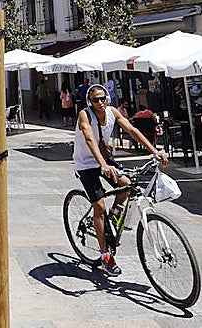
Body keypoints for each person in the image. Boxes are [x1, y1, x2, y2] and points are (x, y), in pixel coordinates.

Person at [74, 83, 168, 277]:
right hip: (86, 163)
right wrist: (103, 165)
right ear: (90, 102)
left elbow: (132, 130)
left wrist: (154, 151)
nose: (100, 103)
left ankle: (113, 215)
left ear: (107, 98)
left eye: (103, 98)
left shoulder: (112, 112)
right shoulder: (85, 115)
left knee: (126, 185)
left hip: (104, 160)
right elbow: (90, 139)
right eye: (95, 100)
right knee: (99, 206)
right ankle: (105, 255)